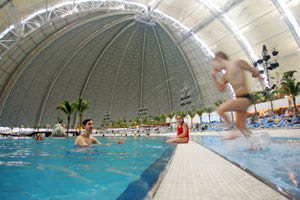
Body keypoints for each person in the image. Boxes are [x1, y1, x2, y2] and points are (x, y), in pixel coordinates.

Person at [211, 51, 262, 139]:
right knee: (241, 126)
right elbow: (221, 90)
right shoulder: (225, 75)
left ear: (219, 59)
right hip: (239, 99)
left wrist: (259, 77)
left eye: (214, 64)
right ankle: (255, 144)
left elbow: (252, 69)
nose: (214, 67)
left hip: (245, 97)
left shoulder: (238, 63)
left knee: (220, 109)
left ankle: (231, 128)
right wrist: (214, 78)